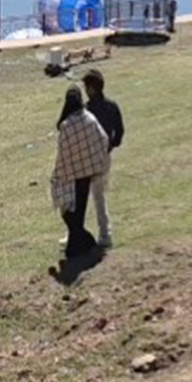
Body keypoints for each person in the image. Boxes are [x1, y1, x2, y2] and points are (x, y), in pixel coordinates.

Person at [51, 84, 111, 261]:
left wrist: (58, 174)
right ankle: (82, 245)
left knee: (70, 214)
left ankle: (85, 244)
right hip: (87, 174)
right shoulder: (90, 119)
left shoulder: (66, 126)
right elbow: (103, 139)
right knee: (79, 213)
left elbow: (62, 153)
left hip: (70, 176)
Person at [82, 70, 124, 249]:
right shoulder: (112, 106)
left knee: (88, 196)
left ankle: (101, 234)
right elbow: (120, 132)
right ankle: (102, 233)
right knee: (98, 194)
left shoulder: (86, 111)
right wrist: (110, 147)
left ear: (91, 89)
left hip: (89, 158)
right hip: (105, 156)